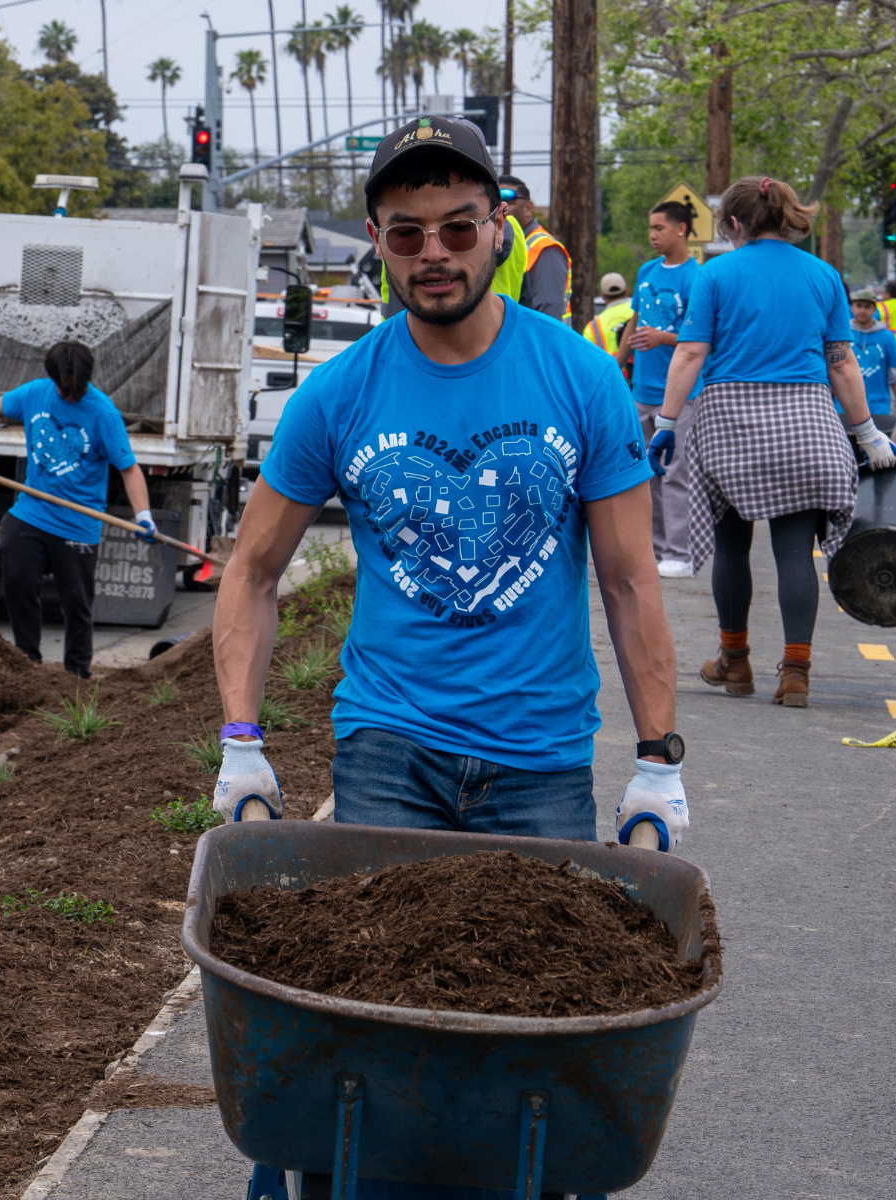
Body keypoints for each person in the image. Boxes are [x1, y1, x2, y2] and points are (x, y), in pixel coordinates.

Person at [208, 116, 682, 916]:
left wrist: (657, 759)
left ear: (500, 228)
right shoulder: (336, 394)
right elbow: (252, 571)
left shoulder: (583, 378)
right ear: (376, 241)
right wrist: (241, 743)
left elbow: (631, 581)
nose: (435, 253)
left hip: (541, 759)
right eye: (407, 234)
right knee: (378, 990)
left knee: (540, 997)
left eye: (459, 227)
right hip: (388, 754)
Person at [663, 176, 896, 707]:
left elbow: (689, 355)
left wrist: (664, 422)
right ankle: (796, 671)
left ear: (733, 223)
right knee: (795, 551)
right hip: (808, 421)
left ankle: (735, 659)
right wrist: (867, 433)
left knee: (731, 546)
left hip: (730, 420)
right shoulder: (824, 276)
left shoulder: (716, 273)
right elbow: (842, 364)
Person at [0, 340, 154, 676]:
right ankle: (27, 661)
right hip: (31, 511)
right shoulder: (36, 393)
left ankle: (77, 674)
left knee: (76, 603)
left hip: (78, 523)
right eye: (63, 387)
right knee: (17, 574)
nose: (69, 395)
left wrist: (143, 515)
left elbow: (129, 468)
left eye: (75, 389)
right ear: (53, 377)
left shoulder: (103, 412)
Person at [627, 201, 704, 577]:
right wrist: (613, 362)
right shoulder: (646, 271)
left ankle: (680, 552)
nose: (653, 235)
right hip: (641, 390)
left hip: (680, 394)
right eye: (651, 228)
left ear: (681, 230)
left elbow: (702, 340)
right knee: (647, 472)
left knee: (676, 471)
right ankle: (656, 551)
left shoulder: (696, 277)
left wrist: (663, 338)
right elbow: (634, 323)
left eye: (659, 228)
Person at [491, 173, 571, 320]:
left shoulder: (545, 248)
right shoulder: (495, 240)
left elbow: (548, 316)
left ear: (528, 208)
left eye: (509, 202)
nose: (500, 208)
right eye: (495, 202)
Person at [849, 292, 896, 426]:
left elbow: (895, 374)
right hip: (845, 406)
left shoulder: (887, 337)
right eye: (859, 306)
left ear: (874, 310)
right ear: (852, 307)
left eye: (867, 307)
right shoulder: (842, 333)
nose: (862, 310)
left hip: (878, 407)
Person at [585, 271, 635, 375]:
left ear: (603, 296)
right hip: (641, 381)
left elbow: (589, 362)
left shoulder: (593, 327)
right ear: (626, 292)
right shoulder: (639, 313)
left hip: (613, 381)